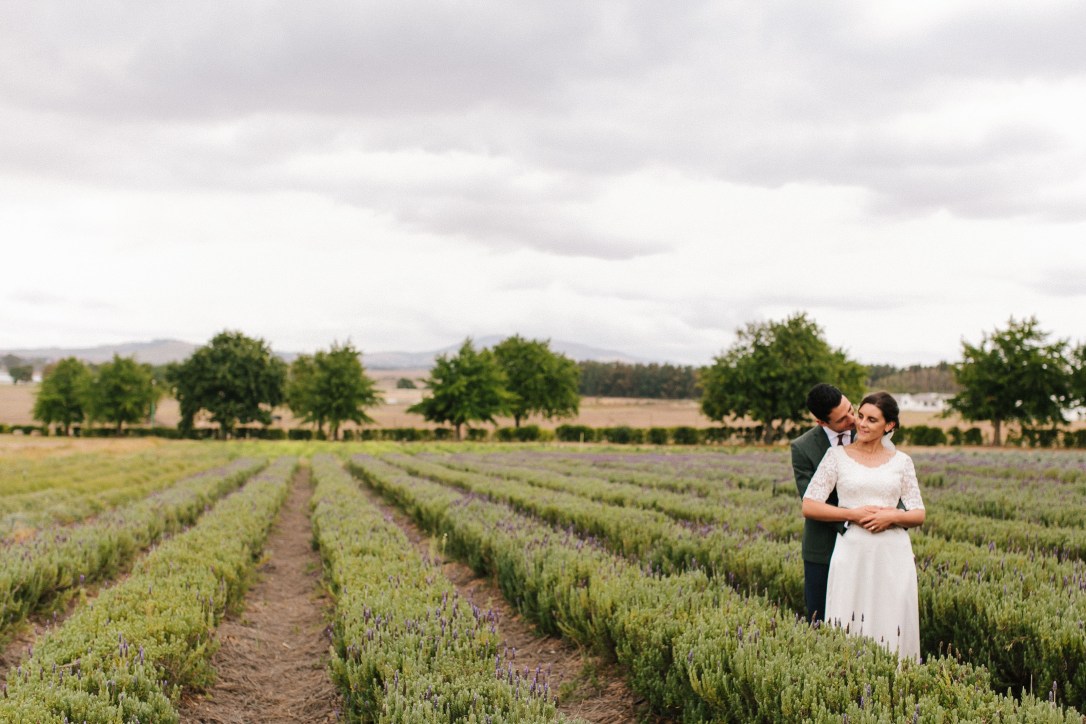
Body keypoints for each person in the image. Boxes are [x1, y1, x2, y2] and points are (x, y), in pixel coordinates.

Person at [801, 391, 925, 660]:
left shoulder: (902, 462)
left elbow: (918, 513)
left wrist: (891, 517)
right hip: (853, 550)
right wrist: (853, 514)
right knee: (848, 619)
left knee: (891, 618)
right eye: (860, 416)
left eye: (872, 419)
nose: (862, 423)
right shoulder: (836, 457)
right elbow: (809, 505)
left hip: (893, 553)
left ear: (889, 426)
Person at [791, 383, 857, 623]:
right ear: (822, 423)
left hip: (868, 545)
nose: (852, 419)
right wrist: (855, 520)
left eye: (851, 409)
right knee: (820, 620)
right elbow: (811, 501)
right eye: (842, 419)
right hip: (823, 547)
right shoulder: (803, 447)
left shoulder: (870, 434)